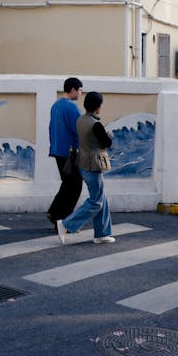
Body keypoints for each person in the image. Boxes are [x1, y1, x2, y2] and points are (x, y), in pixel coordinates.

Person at [56, 91, 114, 244]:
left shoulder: (81, 120)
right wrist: (108, 136)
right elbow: (106, 144)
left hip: (82, 163)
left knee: (101, 198)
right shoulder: (96, 124)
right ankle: (66, 224)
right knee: (96, 201)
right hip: (93, 166)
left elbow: (89, 139)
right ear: (97, 107)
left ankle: (102, 233)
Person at [46, 77, 84, 227]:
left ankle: (54, 214)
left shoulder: (56, 105)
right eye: (80, 90)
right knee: (75, 186)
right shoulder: (72, 107)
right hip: (70, 152)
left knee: (68, 184)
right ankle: (64, 221)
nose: (81, 93)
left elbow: (51, 128)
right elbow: (79, 130)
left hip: (57, 150)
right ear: (73, 90)